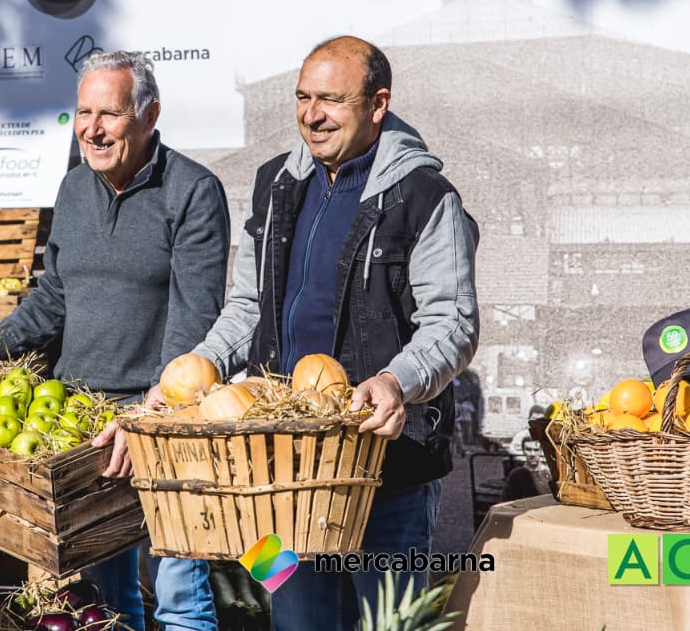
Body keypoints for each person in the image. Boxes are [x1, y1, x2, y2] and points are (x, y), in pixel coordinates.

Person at [183, 36, 479, 630]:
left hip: (385, 468)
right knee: (295, 621)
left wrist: (397, 380)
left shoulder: (424, 196)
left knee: (388, 625)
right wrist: (203, 365)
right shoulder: (274, 186)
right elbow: (247, 306)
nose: (311, 115)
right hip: (280, 472)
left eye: (331, 100)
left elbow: (453, 323)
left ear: (377, 104)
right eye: (302, 97)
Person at [0, 50, 227, 631]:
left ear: (149, 115)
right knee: (110, 597)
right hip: (78, 423)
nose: (92, 130)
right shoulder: (74, 189)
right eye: (83, 113)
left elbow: (195, 319)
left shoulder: (194, 191)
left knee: (181, 595)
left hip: (160, 422)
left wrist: (151, 414)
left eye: (110, 114)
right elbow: (54, 297)